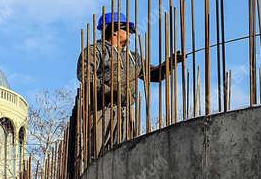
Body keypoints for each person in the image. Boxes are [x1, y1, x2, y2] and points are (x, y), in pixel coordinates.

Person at [72, 12, 183, 163]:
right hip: (102, 111)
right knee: (99, 157)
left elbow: (153, 75)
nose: (130, 34)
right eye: (127, 30)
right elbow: (85, 76)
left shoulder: (133, 57)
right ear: (115, 30)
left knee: (127, 154)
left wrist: (170, 63)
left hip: (126, 112)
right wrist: (108, 92)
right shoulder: (95, 51)